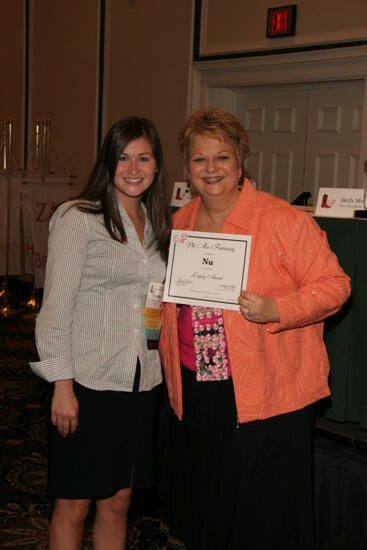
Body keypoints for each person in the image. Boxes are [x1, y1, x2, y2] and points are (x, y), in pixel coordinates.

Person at [159, 108, 351, 550]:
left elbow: (336, 286)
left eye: (221, 158)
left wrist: (278, 308)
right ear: (187, 167)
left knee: (260, 514)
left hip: (265, 392)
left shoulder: (282, 219)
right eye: (199, 160)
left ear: (241, 161)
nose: (211, 170)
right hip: (196, 385)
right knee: (209, 506)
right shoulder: (181, 221)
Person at [30, 116, 171, 549]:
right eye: (123, 158)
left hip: (142, 382)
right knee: (73, 504)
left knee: (120, 499)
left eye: (143, 158)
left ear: (156, 165)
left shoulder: (160, 223)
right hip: (86, 382)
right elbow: (55, 309)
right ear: (108, 163)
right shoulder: (80, 217)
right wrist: (62, 384)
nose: (133, 168)